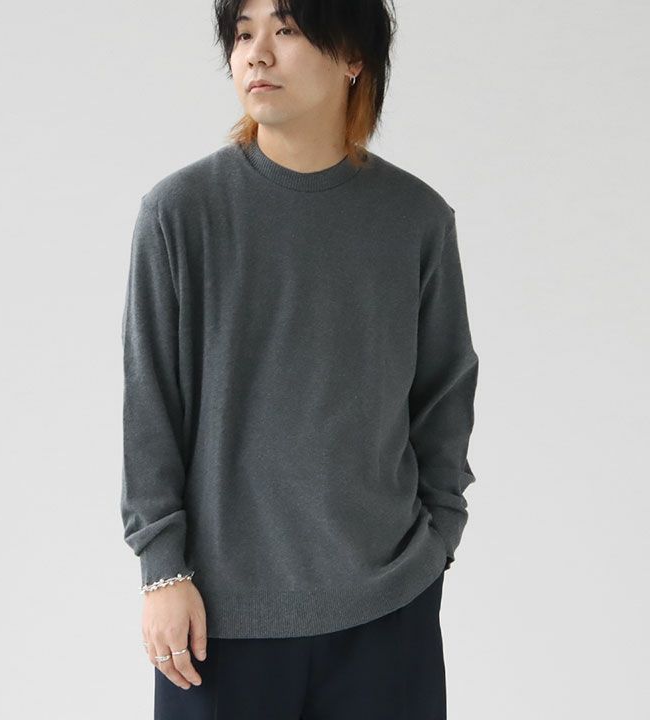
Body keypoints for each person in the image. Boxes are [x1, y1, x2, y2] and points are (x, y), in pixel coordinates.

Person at [120, 0, 480, 717]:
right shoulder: (180, 213)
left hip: (388, 609)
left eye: (286, 29)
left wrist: (438, 537)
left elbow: (444, 391)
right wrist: (162, 570)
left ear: (353, 58)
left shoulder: (415, 219)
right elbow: (150, 401)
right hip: (218, 616)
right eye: (242, 34)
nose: (256, 53)